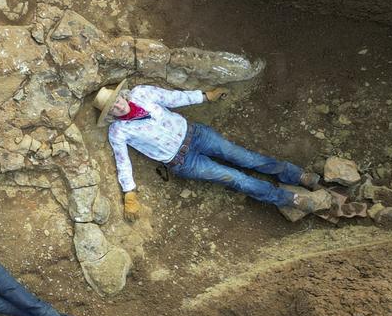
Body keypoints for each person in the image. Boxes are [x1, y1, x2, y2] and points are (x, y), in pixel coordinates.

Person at [94, 81, 330, 219]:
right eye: (112, 108)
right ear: (110, 115)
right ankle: (290, 198)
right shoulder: (118, 131)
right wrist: (129, 192)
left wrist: (205, 96)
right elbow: (122, 161)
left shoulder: (142, 94)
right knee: (236, 179)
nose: (118, 105)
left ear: (121, 94)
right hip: (183, 162)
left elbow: (173, 98)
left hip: (196, 134)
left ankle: (297, 175)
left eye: (116, 99)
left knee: (247, 158)